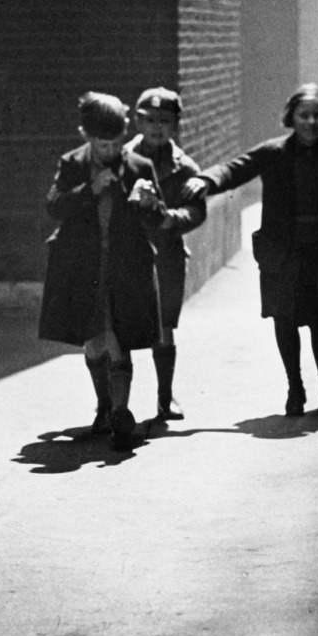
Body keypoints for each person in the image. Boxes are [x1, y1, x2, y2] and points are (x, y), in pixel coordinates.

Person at [182, 83, 318, 416]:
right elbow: (236, 168)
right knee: (285, 318)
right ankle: (295, 388)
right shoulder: (273, 152)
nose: (311, 122)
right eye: (303, 115)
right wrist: (207, 181)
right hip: (283, 252)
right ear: (291, 117)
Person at [38, 91, 167, 451]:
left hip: (125, 267)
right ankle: (104, 406)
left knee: (119, 337)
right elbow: (53, 207)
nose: (109, 150)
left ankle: (122, 414)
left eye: (115, 143)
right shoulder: (73, 164)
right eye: (101, 143)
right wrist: (88, 190)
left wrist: (149, 202)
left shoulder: (140, 167)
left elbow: (159, 220)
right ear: (86, 135)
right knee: (93, 338)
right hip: (84, 267)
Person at [125, 86, 206, 424]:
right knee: (122, 325)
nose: (157, 127)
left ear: (175, 126)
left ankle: (164, 396)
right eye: (149, 120)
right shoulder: (125, 158)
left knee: (164, 326)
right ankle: (116, 405)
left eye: (165, 121)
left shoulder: (184, 166)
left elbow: (197, 211)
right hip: (129, 253)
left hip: (167, 253)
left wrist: (174, 218)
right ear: (138, 122)